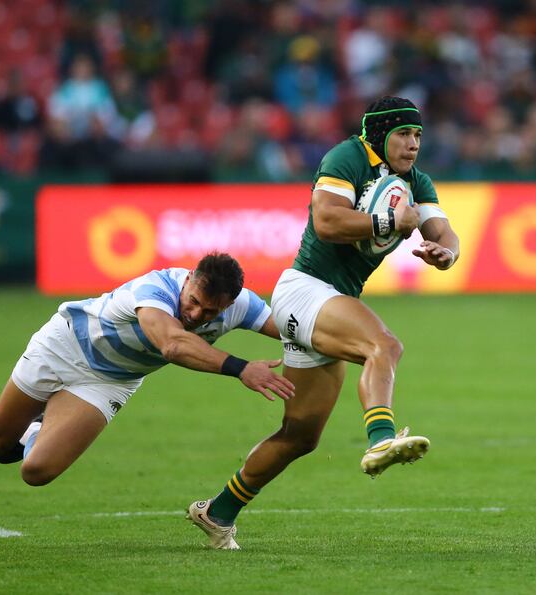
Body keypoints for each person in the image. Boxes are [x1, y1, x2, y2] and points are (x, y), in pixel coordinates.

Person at [187, 96, 460, 549]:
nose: (413, 145)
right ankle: (381, 437)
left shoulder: (417, 182)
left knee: (300, 436)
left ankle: (217, 513)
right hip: (304, 288)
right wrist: (393, 219)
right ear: (380, 135)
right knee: (384, 346)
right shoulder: (346, 156)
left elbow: (443, 232)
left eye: (418, 136)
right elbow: (327, 221)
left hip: (329, 301)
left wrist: (446, 253)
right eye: (404, 135)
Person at [0, 253, 295, 548]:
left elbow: (294, 328)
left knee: (35, 472)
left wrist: (348, 344)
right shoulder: (154, 290)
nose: (197, 315)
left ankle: (35, 429)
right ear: (189, 281)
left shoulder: (241, 305)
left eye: (211, 312)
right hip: (62, 347)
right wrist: (242, 368)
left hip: (108, 381)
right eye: (194, 302)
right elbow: (172, 344)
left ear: (229, 305)